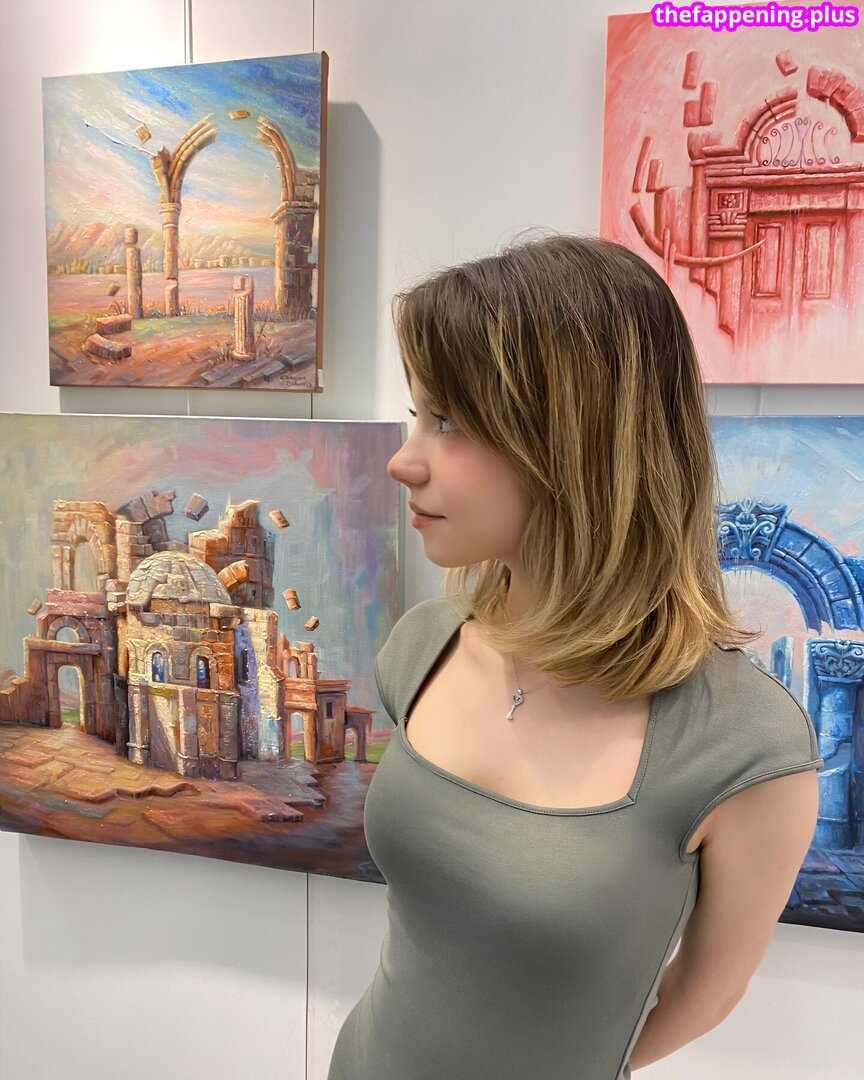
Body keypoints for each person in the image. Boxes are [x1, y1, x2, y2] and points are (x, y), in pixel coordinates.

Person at [327, 234, 823, 1080]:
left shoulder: (744, 746)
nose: (405, 460)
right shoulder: (422, 648)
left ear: (573, 443)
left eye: (449, 422)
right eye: (417, 414)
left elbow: (705, 991)